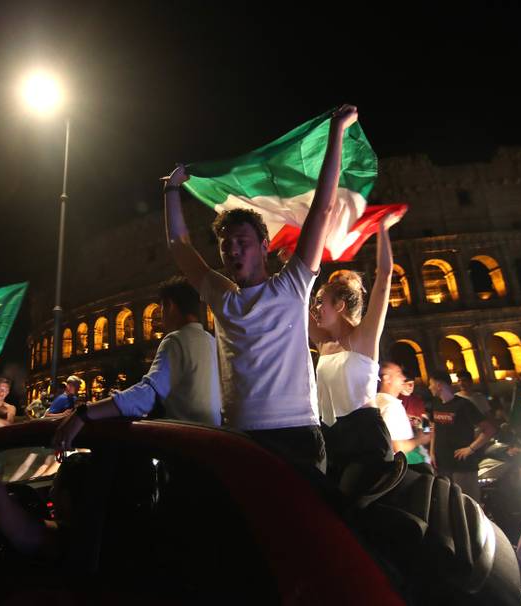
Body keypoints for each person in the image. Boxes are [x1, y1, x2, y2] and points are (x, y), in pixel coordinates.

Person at [162, 105, 360, 471]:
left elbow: (322, 209)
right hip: (240, 436)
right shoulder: (220, 294)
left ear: (264, 246)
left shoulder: (294, 283)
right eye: (226, 245)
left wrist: (337, 133)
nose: (233, 250)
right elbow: (179, 245)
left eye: (242, 241)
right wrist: (173, 190)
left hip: (297, 431)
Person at [53, 277, 221, 451]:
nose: (161, 316)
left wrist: (84, 413)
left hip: (184, 447)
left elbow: (146, 396)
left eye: (161, 308)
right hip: (210, 444)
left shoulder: (175, 340)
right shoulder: (211, 341)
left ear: (170, 305)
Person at [309, 210, 402, 482]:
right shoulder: (323, 342)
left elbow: (384, 277)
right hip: (329, 438)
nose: (314, 308)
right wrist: (297, 261)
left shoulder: (363, 338)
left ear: (338, 306)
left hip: (365, 438)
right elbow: (297, 299)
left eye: (320, 302)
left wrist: (382, 229)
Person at [0, 397, 94, 561]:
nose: (50, 491)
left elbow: (0, 506)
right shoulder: (97, 533)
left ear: (66, 498)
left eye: (55, 485)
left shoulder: (58, 541)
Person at [428, 371, 495, 500]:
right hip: (442, 465)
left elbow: (489, 429)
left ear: (439, 385)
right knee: (448, 503)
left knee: (468, 503)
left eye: (431, 384)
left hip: (463, 466)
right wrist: (432, 452)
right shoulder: (435, 404)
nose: (429, 387)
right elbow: (434, 428)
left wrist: (470, 449)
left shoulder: (464, 405)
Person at [375, 362, 429, 463]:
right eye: (399, 374)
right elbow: (397, 447)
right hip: (405, 465)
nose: (403, 378)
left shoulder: (378, 401)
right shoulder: (390, 406)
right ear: (387, 378)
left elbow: (424, 421)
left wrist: (425, 429)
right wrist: (420, 440)